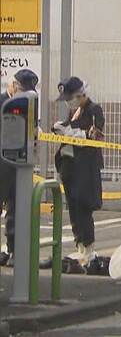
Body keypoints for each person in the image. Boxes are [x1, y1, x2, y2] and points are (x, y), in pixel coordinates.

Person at [53, 77, 105, 266]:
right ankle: (80, 247)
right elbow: (68, 128)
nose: (69, 102)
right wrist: (62, 129)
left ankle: (89, 250)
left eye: (71, 97)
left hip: (85, 167)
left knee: (84, 208)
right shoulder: (74, 111)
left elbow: (96, 135)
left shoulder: (93, 110)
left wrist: (73, 133)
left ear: (80, 94)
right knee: (73, 209)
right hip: (70, 166)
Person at [0, 68, 38, 266]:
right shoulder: (2, 102)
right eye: (22, 89)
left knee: (17, 208)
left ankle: (15, 250)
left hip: (19, 164)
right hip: (2, 163)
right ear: (13, 85)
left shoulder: (30, 102)